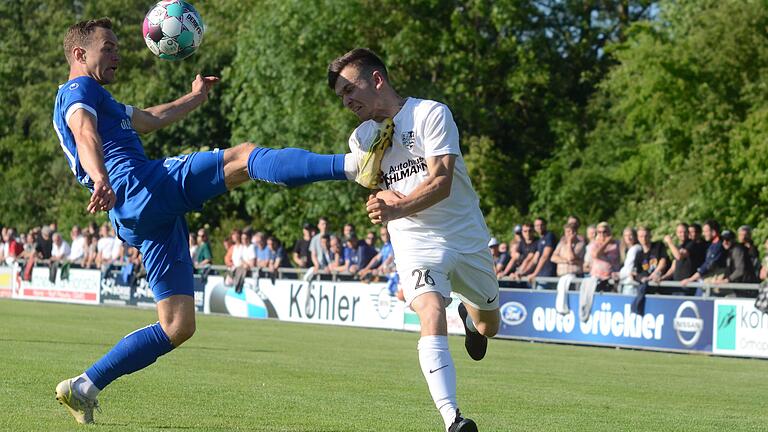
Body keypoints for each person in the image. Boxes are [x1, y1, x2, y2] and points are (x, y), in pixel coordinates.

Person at [53, 19, 376, 424]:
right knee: (243, 157)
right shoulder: (78, 91)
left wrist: (194, 98)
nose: (119, 53)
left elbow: (151, 119)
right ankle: (353, 166)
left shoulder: (103, 100)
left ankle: (85, 385)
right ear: (80, 54)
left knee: (177, 325)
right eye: (109, 47)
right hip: (137, 187)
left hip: (138, 213)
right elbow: (85, 133)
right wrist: (100, 176)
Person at [332, 48, 499, 431]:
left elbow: (440, 183)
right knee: (429, 310)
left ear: (377, 80)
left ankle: (472, 322)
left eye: (349, 89)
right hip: (414, 239)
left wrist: (394, 207)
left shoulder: (431, 114)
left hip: (464, 234)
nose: (346, 100)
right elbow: (378, 191)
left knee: (491, 325)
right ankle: (452, 418)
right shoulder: (361, 137)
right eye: (340, 95)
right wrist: (382, 203)